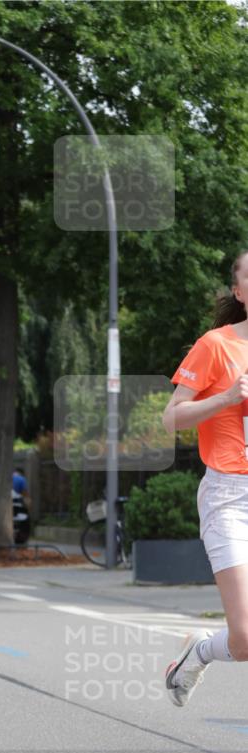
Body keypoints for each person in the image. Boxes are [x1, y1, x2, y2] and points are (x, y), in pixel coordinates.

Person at [162, 249, 248, 705]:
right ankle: (199, 652)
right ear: (239, 291)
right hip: (231, 497)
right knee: (246, 635)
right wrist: (227, 397)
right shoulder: (217, 345)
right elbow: (171, 419)